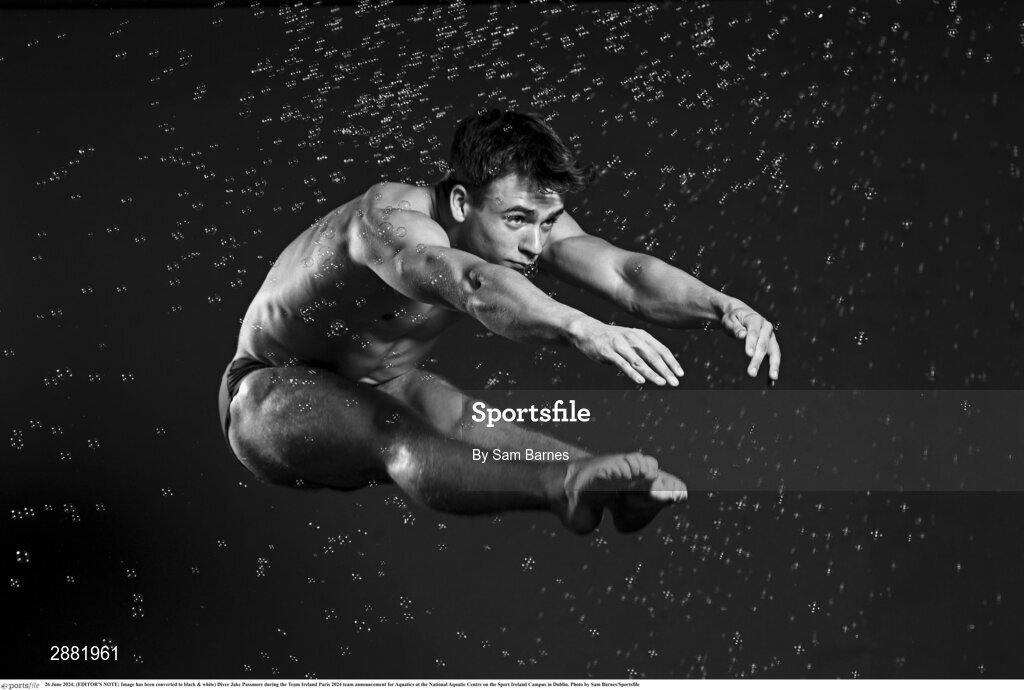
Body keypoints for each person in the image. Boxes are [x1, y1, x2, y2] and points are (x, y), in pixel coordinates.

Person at [216, 109, 781, 535]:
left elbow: (624, 274)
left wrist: (724, 306)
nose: (536, 243)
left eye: (548, 221)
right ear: (461, 202)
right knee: (399, 430)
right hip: (264, 393)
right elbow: (472, 285)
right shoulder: (388, 224)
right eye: (517, 220)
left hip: (378, 383)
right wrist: (584, 328)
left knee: (465, 422)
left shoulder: (525, 221)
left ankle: (604, 489)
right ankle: (568, 488)